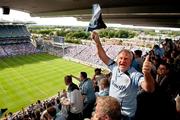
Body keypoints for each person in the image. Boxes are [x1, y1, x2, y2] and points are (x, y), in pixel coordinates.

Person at [91, 31, 155, 120]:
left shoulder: (134, 75)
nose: (122, 61)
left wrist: (147, 73)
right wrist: (97, 42)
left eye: (126, 59)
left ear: (131, 62)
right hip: (111, 112)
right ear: (117, 60)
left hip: (125, 115)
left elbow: (149, 88)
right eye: (120, 58)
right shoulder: (114, 67)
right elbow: (103, 56)